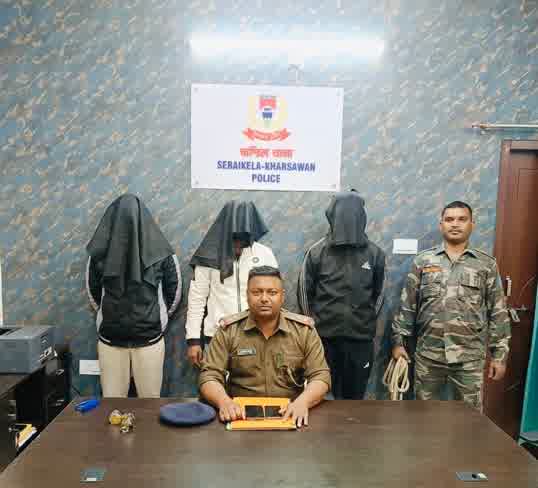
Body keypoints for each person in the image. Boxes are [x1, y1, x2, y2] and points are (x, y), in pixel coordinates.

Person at [391, 201, 511, 411]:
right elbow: (407, 306)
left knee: (469, 418)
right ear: (441, 225)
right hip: (429, 355)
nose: (455, 224)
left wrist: (499, 356)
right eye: (449, 219)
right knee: (423, 414)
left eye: (462, 219)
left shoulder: (485, 264)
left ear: (472, 224)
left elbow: (497, 312)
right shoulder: (423, 261)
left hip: (469, 358)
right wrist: (398, 343)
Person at [199, 266, 331, 427]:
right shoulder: (229, 330)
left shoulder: (303, 331)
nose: (264, 298)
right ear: (247, 296)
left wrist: (303, 402)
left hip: (291, 413)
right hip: (241, 415)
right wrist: (224, 402)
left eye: (272, 292)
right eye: (256, 292)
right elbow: (209, 376)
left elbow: (320, 376)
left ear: (282, 296)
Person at [86, 194, 181, 398]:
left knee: (149, 403)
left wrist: (158, 318)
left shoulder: (163, 253)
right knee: (112, 403)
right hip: (111, 341)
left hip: (149, 340)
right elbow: (93, 292)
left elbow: (174, 293)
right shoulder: (100, 252)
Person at [297, 191, 386, 399]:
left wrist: (363, 320)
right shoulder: (316, 252)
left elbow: (379, 294)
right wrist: (314, 325)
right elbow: (304, 293)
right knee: (320, 396)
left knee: (354, 398)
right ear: (332, 215)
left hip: (360, 341)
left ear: (361, 216)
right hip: (323, 340)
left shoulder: (375, 254)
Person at [185, 200, 278, 367]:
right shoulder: (208, 256)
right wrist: (193, 340)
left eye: (243, 237)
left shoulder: (265, 254)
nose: (238, 244)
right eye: (234, 237)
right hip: (217, 336)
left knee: (254, 383)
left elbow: (275, 296)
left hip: (257, 335)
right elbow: (197, 298)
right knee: (215, 382)